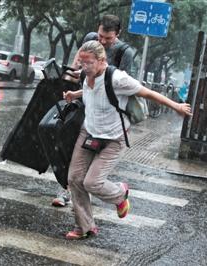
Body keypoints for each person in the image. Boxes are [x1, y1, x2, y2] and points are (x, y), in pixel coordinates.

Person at [62, 40, 192, 240]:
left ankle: (120, 194)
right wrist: (75, 94)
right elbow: (91, 90)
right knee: (74, 179)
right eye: (82, 62)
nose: (84, 67)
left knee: (92, 182)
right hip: (89, 133)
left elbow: (148, 93)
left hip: (114, 139)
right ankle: (85, 227)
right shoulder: (84, 75)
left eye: (88, 62)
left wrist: (177, 106)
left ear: (102, 60)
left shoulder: (117, 79)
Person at [52, 14, 134, 207]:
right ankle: (66, 190)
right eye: (100, 37)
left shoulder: (124, 53)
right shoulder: (90, 39)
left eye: (108, 38)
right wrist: (70, 75)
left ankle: (106, 192)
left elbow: (121, 87)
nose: (102, 42)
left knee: (94, 154)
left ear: (118, 34)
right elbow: (77, 64)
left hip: (105, 114)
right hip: (82, 105)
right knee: (71, 147)